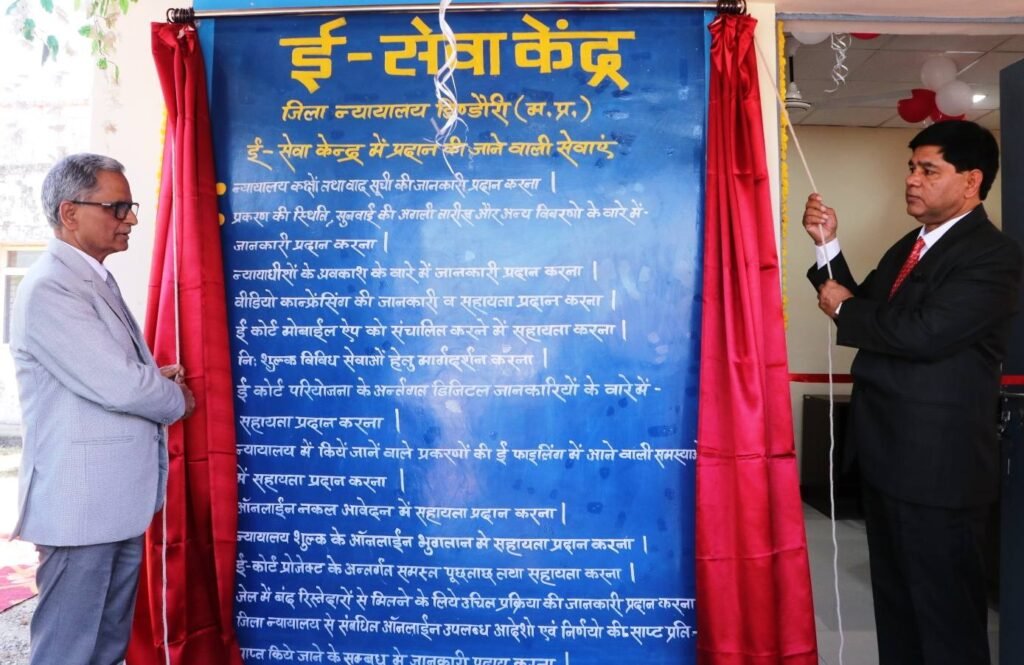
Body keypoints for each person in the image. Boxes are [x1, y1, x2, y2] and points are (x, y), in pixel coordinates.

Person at [803, 120, 1023, 665]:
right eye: (911, 168)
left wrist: (846, 309)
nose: (912, 180)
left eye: (929, 170)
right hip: (888, 459)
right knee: (898, 607)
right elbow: (865, 308)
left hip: (939, 470)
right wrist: (827, 243)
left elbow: (923, 334)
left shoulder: (992, 255)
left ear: (971, 180)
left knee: (945, 619)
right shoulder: (912, 245)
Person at [9, 153, 195, 665]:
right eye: (116, 208)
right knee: (69, 652)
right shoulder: (51, 287)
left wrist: (149, 379)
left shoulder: (90, 278)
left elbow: (105, 375)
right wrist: (178, 399)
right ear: (70, 213)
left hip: (111, 504)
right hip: (80, 509)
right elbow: (121, 386)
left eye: (129, 207)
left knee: (106, 649)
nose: (130, 218)